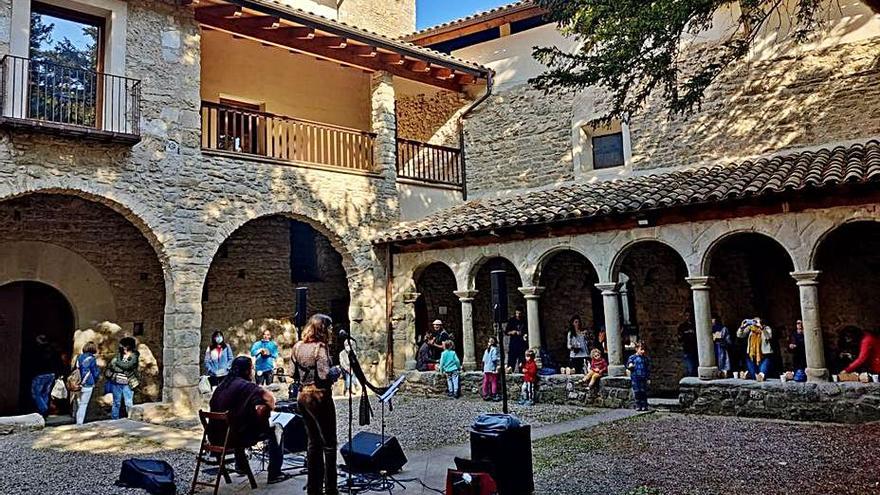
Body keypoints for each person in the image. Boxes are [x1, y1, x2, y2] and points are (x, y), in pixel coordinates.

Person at [209, 356, 290, 485]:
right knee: (276, 428)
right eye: (251, 369)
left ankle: (241, 466)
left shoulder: (222, 385)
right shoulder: (246, 386)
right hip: (234, 438)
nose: (252, 372)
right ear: (247, 371)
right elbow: (269, 399)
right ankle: (274, 473)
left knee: (236, 422)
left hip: (215, 437)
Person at [292, 314, 341, 495]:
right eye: (328, 328)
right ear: (321, 329)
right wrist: (336, 371)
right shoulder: (320, 348)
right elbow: (323, 375)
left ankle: (313, 488)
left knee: (313, 442)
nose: (330, 331)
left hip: (302, 396)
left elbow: (293, 374)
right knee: (329, 444)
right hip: (319, 397)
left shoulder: (297, 346)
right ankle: (331, 488)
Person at [106, 337, 140, 420]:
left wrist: (118, 364)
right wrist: (121, 368)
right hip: (117, 382)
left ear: (127, 346)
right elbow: (112, 366)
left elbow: (128, 366)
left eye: (122, 345)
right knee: (116, 402)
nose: (120, 346)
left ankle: (131, 418)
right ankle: (114, 419)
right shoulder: (119, 355)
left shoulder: (134, 356)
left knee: (128, 402)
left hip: (128, 383)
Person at [30, 334, 63, 417]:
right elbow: (58, 362)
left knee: (36, 393)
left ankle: (43, 409)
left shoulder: (36, 350)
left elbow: (33, 363)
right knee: (45, 393)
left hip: (40, 374)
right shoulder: (52, 349)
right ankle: (44, 412)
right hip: (51, 374)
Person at [74, 341, 100, 425]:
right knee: (83, 404)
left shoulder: (79, 357)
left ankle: (77, 420)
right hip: (88, 383)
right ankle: (79, 423)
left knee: (79, 403)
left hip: (77, 383)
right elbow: (95, 372)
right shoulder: (92, 359)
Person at [627, 342, 650, 412]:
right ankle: (638, 405)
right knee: (637, 391)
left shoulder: (645, 359)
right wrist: (630, 366)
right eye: (641, 349)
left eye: (644, 350)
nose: (643, 351)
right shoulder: (632, 357)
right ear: (636, 349)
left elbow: (647, 368)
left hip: (643, 377)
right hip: (635, 377)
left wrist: (648, 378)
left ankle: (644, 405)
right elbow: (629, 364)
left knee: (643, 391)